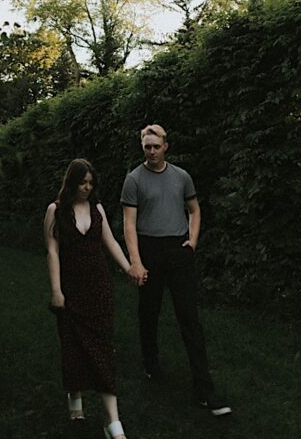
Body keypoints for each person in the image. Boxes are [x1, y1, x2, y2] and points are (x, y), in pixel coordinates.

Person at [121, 124, 231, 417]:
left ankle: (204, 391)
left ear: (166, 146)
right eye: (147, 146)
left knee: (190, 319)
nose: (152, 151)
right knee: (149, 311)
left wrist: (192, 242)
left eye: (156, 146)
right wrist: (136, 261)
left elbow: (194, 210)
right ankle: (150, 363)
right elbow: (129, 224)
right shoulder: (133, 180)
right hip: (149, 249)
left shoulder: (181, 177)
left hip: (178, 250)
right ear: (142, 147)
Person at [44, 158, 138, 439]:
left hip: (99, 289)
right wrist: (56, 290)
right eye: (82, 183)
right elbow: (52, 252)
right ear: (71, 182)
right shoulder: (55, 210)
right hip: (71, 290)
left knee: (102, 351)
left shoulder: (97, 209)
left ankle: (113, 422)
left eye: (90, 183)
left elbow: (110, 242)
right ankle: (75, 401)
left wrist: (129, 268)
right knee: (72, 348)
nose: (86, 188)